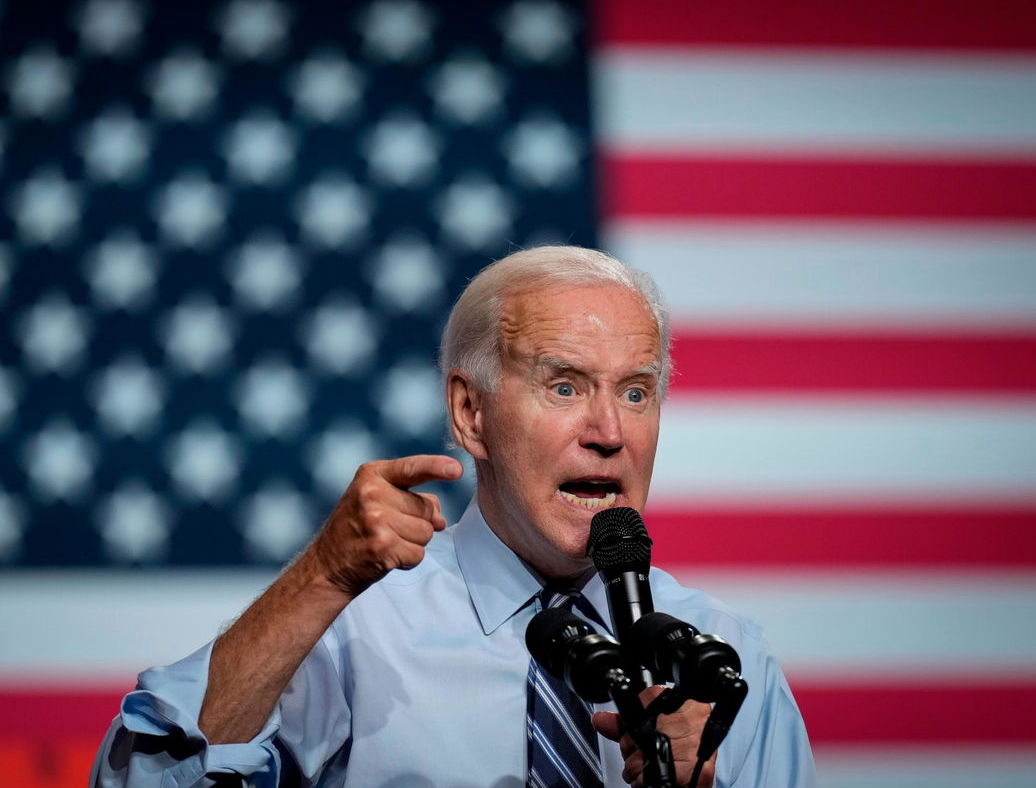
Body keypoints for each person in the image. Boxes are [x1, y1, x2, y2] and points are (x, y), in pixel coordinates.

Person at [91, 246, 816, 787]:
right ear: (471, 414)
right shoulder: (355, 633)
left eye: (635, 392)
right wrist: (321, 576)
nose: (609, 431)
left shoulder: (726, 660)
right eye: (564, 387)